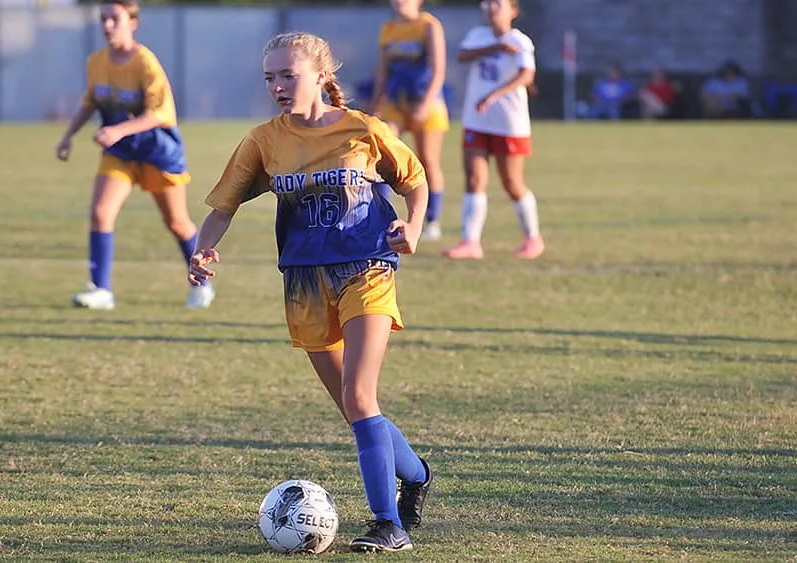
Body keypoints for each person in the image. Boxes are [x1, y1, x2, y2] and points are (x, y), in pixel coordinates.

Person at [188, 31, 432, 553]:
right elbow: (223, 206)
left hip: (366, 268)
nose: (277, 86)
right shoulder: (263, 140)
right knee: (356, 409)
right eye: (270, 78)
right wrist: (202, 248)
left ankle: (388, 524)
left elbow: (415, 180)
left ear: (321, 75)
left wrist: (412, 226)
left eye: (288, 75)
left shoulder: (363, 129)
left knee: (359, 395)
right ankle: (416, 474)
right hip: (303, 282)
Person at [55, 0, 214, 310]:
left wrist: (118, 131)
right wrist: (67, 136)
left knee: (177, 222)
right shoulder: (97, 62)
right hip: (121, 153)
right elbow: (90, 102)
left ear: (133, 22)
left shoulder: (144, 62)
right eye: (103, 19)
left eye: (114, 18)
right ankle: (101, 290)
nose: (107, 25)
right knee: (101, 213)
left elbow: (161, 113)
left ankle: (202, 284)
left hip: (157, 150)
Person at [444, 0, 543, 260]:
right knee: (474, 179)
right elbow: (463, 55)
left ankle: (533, 238)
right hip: (477, 119)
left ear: (513, 10)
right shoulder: (479, 36)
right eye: (487, 4)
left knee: (511, 182)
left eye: (498, 4)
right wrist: (496, 46)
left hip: (509, 122)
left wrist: (494, 95)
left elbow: (526, 76)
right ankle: (470, 242)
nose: (490, 8)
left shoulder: (521, 41)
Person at [371, 0, 448, 241]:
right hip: (396, 102)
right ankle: (382, 219)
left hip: (427, 102)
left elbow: (438, 69)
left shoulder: (428, 25)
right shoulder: (388, 28)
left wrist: (425, 104)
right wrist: (375, 106)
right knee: (384, 155)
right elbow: (383, 71)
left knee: (427, 161)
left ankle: (431, 221)